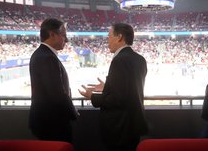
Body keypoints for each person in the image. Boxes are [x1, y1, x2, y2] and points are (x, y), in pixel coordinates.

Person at [79, 23, 148, 151]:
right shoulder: (140, 59)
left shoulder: (119, 60)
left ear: (119, 37)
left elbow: (117, 99)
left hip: (119, 127)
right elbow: (129, 89)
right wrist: (107, 87)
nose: (107, 40)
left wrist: (92, 96)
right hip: (133, 124)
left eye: (109, 36)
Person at [29, 18, 79, 143]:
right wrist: (73, 112)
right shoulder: (47, 58)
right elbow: (57, 94)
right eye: (63, 35)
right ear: (52, 34)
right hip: (52, 123)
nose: (66, 40)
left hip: (46, 121)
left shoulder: (41, 54)